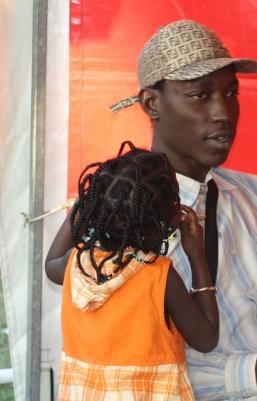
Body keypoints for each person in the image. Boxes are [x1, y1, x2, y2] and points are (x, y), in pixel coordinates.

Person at [110, 19, 257, 400]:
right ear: (152, 103)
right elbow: (133, 371)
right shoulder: (124, 216)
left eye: (231, 93)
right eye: (200, 95)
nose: (223, 113)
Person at [44, 141, 219, 400]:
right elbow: (206, 338)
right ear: (161, 219)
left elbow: (50, 264)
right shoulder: (159, 276)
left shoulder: (76, 265)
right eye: (175, 201)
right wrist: (197, 257)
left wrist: (86, 203)